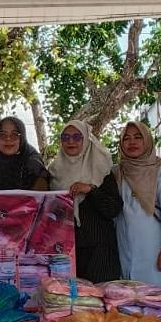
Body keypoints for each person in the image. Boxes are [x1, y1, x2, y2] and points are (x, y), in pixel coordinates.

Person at [47, 120, 120, 283]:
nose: (71, 142)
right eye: (65, 137)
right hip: (66, 253)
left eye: (77, 137)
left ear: (86, 139)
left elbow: (113, 209)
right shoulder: (54, 172)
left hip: (100, 253)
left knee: (100, 298)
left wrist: (90, 189)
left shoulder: (101, 169)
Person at [113, 121, 161, 290]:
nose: (132, 142)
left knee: (158, 298)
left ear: (147, 140)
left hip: (155, 246)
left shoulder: (160, 169)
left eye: (138, 137)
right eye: (126, 138)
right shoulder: (117, 171)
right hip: (127, 247)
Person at [0, 116, 50, 191]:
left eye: (14, 134)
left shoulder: (35, 167)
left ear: (22, 139)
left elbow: (40, 196)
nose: (8, 139)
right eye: (3, 135)